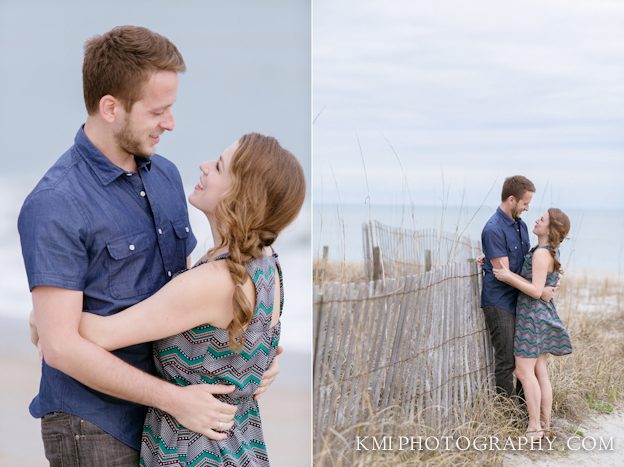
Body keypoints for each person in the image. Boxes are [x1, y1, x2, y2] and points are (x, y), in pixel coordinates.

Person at [19, 25, 277, 466]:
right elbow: (59, 347)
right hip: (93, 422)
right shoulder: (55, 203)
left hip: (168, 422)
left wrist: (251, 355)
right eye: (158, 111)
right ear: (111, 108)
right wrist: (175, 399)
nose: (170, 123)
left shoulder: (166, 177)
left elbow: (192, 290)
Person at [79, 133, 306, 466]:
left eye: (218, 166)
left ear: (240, 195)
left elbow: (101, 334)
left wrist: (42, 314)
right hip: (240, 448)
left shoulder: (214, 282)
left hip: (193, 454)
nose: (202, 167)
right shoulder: (269, 266)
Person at [493, 208, 572, 441]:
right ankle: (544, 426)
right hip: (541, 314)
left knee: (523, 371)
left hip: (532, 318)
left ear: (551, 229)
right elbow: (541, 286)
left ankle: (535, 427)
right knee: (540, 371)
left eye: (542, 219)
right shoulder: (542, 251)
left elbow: (536, 290)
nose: (537, 220)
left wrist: (508, 277)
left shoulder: (541, 254)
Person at [480, 175, 555, 398]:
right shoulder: (493, 229)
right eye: (525, 203)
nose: (527, 208)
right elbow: (503, 274)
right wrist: (540, 291)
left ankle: (525, 411)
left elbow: (527, 264)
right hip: (500, 301)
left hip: (522, 301)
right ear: (511, 199)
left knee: (525, 358)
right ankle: (507, 413)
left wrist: (552, 277)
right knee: (507, 361)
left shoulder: (520, 225)